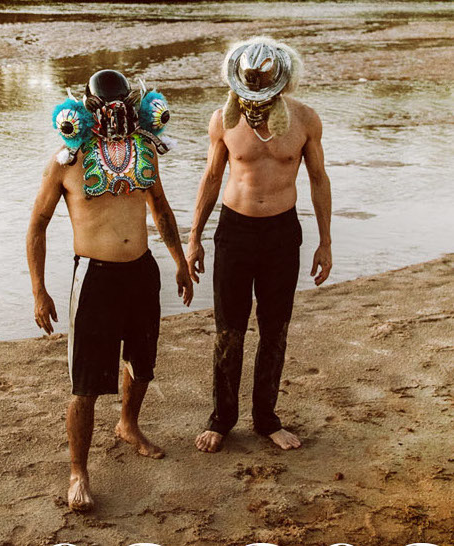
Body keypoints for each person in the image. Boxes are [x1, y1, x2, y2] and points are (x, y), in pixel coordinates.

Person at [26, 69, 193, 511]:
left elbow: (161, 208)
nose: (116, 115)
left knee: (142, 362)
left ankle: (128, 425)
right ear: (89, 109)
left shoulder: (144, 151)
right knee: (84, 383)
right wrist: (39, 290)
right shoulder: (66, 161)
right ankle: (78, 472)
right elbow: (38, 225)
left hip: (142, 271)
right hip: (94, 277)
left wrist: (179, 262)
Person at [187, 37, 332, 453]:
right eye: (250, 81)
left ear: (282, 78)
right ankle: (222, 419)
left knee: (275, 329)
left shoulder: (305, 119)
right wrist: (194, 238)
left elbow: (318, 179)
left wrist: (325, 241)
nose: (257, 88)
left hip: (281, 234)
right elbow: (211, 178)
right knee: (228, 330)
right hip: (235, 231)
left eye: (264, 81)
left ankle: (267, 419)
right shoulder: (223, 119)